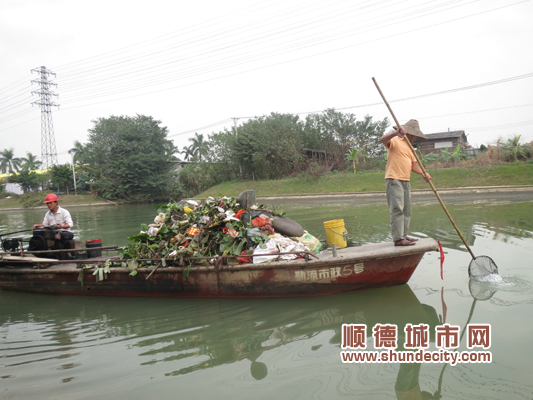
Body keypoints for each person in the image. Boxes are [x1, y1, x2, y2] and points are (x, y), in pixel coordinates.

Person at [379, 119, 431, 246]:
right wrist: (395, 133)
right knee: (398, 209)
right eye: (414, 136)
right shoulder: (395, 141)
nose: (415, 138)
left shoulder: (410, 148)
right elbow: (382, 140)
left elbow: (413, 165)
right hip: (394, 179)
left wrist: (423, 173)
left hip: (406, 181)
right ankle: (398, 239)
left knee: (407, 210)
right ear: (410, 134)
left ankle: (404, 235)